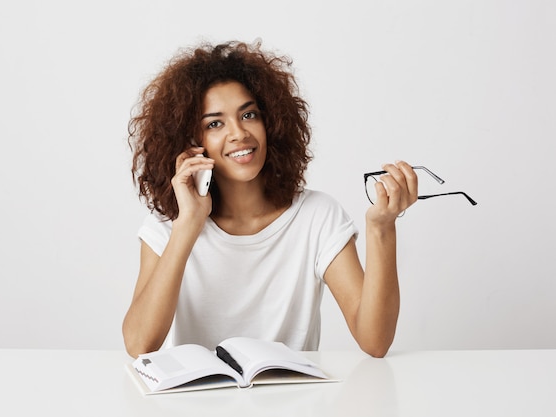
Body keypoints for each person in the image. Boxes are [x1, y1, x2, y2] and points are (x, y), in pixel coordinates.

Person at [122, 40, 418, 359]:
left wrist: (382, 228)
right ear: (193, 142)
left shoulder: (316, 216)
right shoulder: (166, 227)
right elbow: (139, 345)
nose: (239, 133)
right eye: (215, 123)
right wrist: (187, 227)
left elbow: (374, 341)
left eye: (249, 114)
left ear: (270, 123)